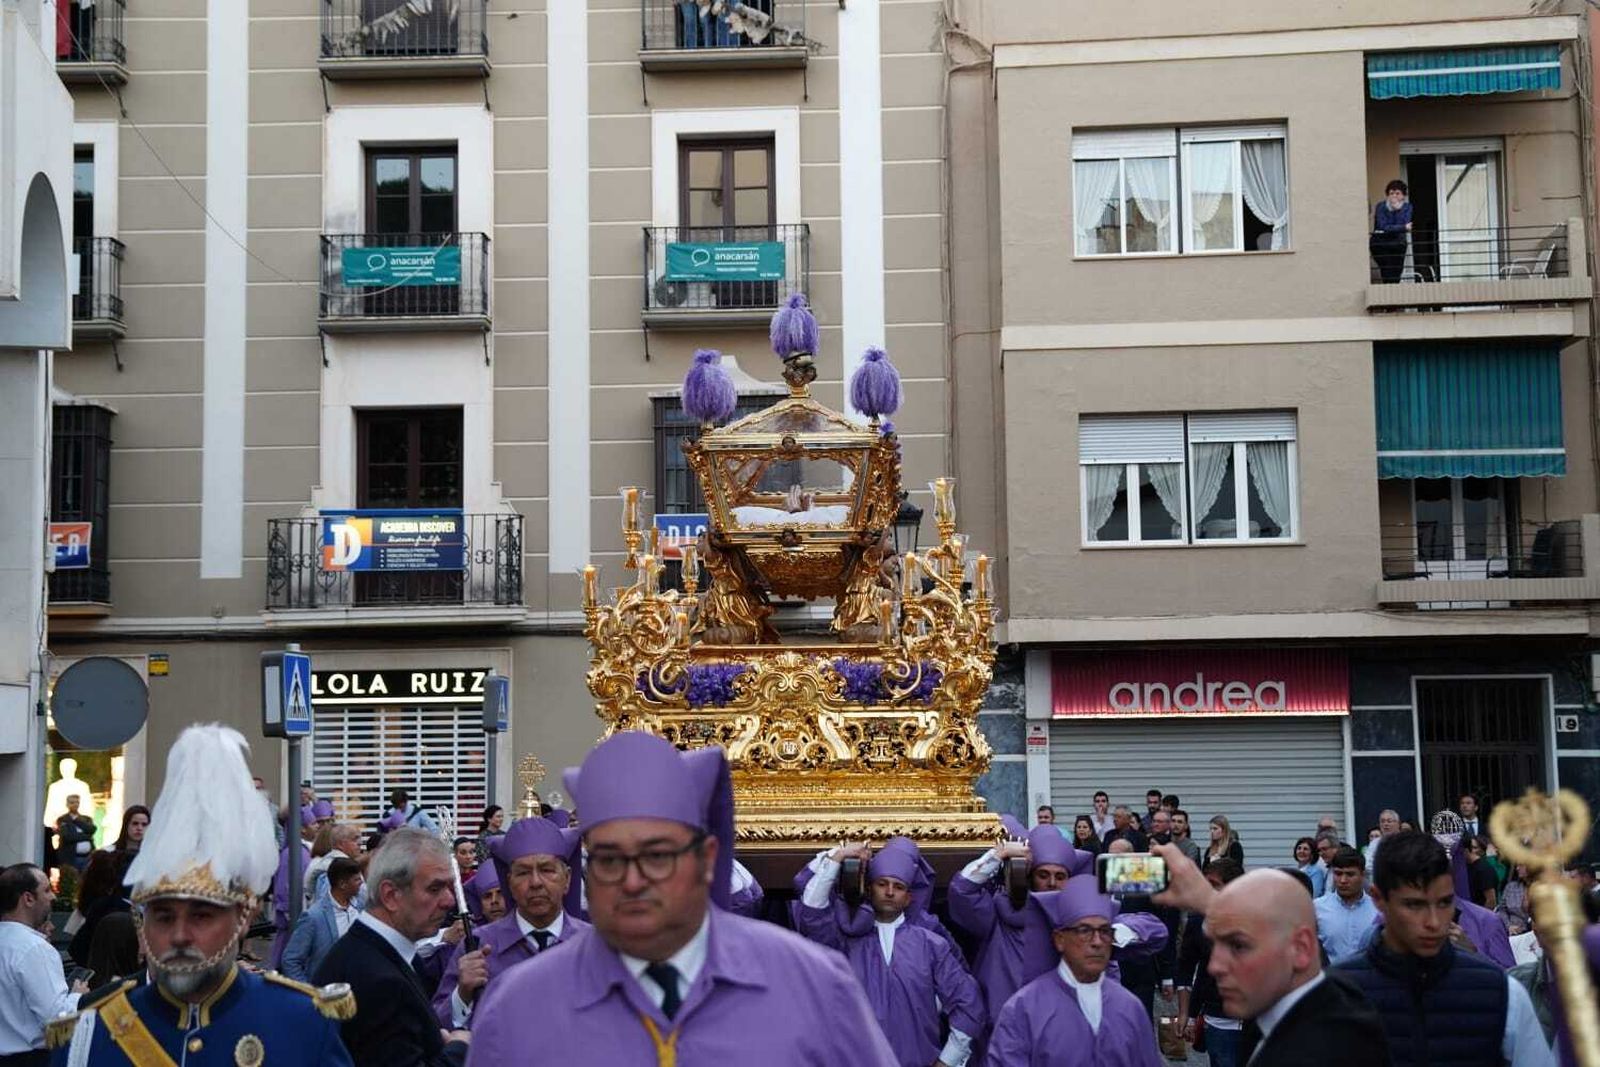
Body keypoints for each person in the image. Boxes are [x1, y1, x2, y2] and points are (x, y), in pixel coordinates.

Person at [464, 731, 900, 1065]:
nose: (632, 881)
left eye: (657, 856)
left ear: (706, 859)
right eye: (610, 859)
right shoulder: (519, 1008)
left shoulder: (813, 986)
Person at [45, 724, 354, 1065]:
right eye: (163, 917)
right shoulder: (90, 1034)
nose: (179, 935)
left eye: (201, 916)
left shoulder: (302, 1023)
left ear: (243, 918)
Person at [1149, 844, 1391, 1067]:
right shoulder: (1265, 1023)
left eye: (1239, 947)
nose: (1215, 966)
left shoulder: (1337, 1038)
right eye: (1218, 945)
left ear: (1301, 948)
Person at [1332, 831, 1554, 1067]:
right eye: (1414, 905)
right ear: (1378, 899)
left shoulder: (1502, 993)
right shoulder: (1335, 995)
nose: (1434, 921)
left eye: (1444, 903)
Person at [950, 826, 1166, 1051]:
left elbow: (1156, 930)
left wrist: (1105, 933)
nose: (1052, 883)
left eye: (1060, 876)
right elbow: (962, 890)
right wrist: (998, 854)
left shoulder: (1085, 916)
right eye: (1043, 875)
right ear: (1029, 876)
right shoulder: (999, 915)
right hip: (1008, 1037)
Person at [796, 843, 983, 1067]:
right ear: (869, 889)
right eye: (882, 884)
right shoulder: (844, 941)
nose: (890, 892)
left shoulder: (931, 945)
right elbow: (813, 910)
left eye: (899, 886)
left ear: (908, 898)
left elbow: (969, 1005)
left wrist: (947, 1061)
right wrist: (838, 857)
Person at [312, 829, 469, 1065]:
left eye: (449, 887)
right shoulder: (379, 981)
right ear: (390, 895)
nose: (449, 901)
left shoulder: (384, 954)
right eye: (434, 889)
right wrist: (459, 1049)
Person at [432, 815, 589, 1029]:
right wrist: (462, 994)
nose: (535, 883)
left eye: (546, 870)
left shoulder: (594, 946)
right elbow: (435, 1027)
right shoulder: (478, 946)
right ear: (509, 883)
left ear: (567, 878)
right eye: (523, 873)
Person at [985, 880, 1164, 1067]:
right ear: (1060, 939)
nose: (1096, 942)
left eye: (1104, 931)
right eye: (1084, 930)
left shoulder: (1130, 1007)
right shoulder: (1024, 1009)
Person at [0, 864, 84, 1065]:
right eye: (46, 890)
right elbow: (57, 1019)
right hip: (27, 1059)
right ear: (28, 898)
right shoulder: (34, 948)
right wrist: (78, 996)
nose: (53, 897)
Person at [1175, 858, 1246, 1067]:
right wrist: (1186, 1014)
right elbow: (1187, 968)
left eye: (1214, 885)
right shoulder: (1198, 922)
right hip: (1218, 1019)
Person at [283, 857, 364, 983]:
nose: (361, 883)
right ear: (342, 884)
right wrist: (307, 990)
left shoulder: (361, 906)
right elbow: (291, 960)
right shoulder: (314, 916)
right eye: (357, 879)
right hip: (327, 990)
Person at [1313, 847, 1378, 962]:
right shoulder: (1317, 908)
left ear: (1362, 875)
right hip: (1331, 972)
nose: (1343, 880)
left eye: (1350, 874)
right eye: (1338, 874)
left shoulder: (1378, 909)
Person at [1371, 178, 1412, 284]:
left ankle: (1392, 292)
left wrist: (1397, 210)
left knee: (1397, 272)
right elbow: (1382, 226)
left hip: (1398, 244)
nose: (1394, 196)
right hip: (1381, 244)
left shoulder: (1407, 207)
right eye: (1391, 193)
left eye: (1397, 193)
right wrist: (1402, 227)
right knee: (1387, 271)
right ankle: (1388, 291)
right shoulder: (1381, 206)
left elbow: (1402, 222)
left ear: (1403, 196)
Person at [54, 798, 96, 878]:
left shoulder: (86, 819)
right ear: (67, 805)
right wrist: (87, 837)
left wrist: (77, 821)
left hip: (87, 857)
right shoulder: (63, 819)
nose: (75, 804)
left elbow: (92, 829)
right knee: (71, 880)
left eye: (77, 802)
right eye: (72, 802)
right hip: (71, 858)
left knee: (86, 880)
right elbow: (68, 837)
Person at [1466, 835, 1500, 910]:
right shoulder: (1465, 867)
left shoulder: (1484, 869)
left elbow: (1491, 901)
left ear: (1482, 850)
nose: (1472, 850)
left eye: (1474, 847)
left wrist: (1479, 916)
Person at [1364, 809, 1400, 880]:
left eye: (1389, 821)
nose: (1385, 824)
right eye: (1382, 821)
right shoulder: (1375, 843)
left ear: (1398, 824)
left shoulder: (1404, 841)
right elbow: (1367, 863)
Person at [1499, 864, 1533, 936]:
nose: (1517, 868)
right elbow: (1502, 910)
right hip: (1513, 933)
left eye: (1521, 865)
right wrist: (1508, 926)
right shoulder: (1511, 887)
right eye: (1517, 866)